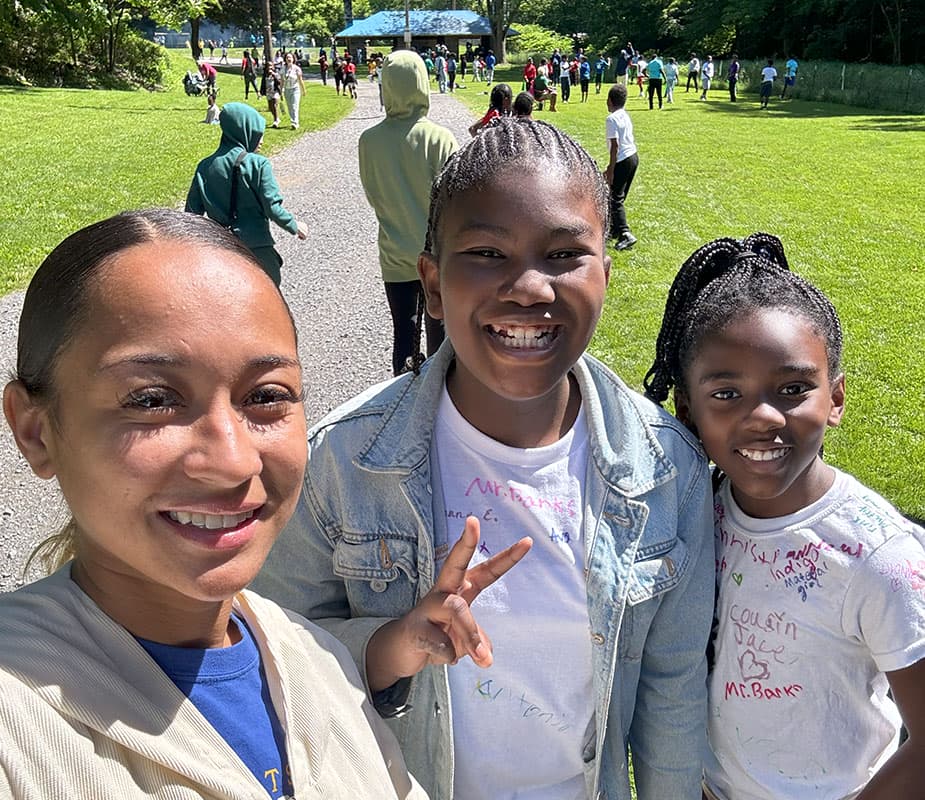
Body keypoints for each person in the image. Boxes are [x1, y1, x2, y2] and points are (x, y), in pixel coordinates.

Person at [253, 117, 714, 800]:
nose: (529, 287)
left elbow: (672, 689)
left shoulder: (666, 469)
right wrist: (392, 644)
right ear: (432, 286)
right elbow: (271, 654)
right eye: (488, 254)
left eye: (563, 255)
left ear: (605, 277)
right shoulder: (343, 463)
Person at [0, 208, 428, 800]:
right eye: (152, 400)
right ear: (35, 431)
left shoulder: (318, 664)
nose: (233, 461)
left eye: (266, 396)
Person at [644, 232, 925, 800]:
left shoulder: (879, 558)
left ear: (836, 397)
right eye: (726, 394)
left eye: (793, 388)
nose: (763, 416)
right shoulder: (696, 522)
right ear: (687, 410)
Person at [358, 50, 458, 375]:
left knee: (403, 332)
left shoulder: (368, 141)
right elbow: (455, 201)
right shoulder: (440, 139)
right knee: (440, 334)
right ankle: (439, 400)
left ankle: (401, 397)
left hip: (394, 252)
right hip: (437, 256)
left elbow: (373, 194)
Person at [186, 102, 308, 286]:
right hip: (257, 249)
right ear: (244, 131)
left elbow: (192, 215)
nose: (261, 140)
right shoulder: (258, 164)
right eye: (257, 134)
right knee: (268, 300)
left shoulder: (204, 167)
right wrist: (293, 225)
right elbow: (272, 207)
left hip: (222, 249)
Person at [605, 83, 638, 250]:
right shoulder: (625, 115)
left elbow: (615, 146)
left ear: (610, 101)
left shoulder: (611, 119)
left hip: (622, 159)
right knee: (620, 195)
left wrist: (611, 169)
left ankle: (626, 233)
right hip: (633, 157)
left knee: (614, 198)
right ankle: (615, 229)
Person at [281, 51, 306, 129]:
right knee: (289, 107)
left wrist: (303, 90)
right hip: (287, 90)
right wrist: (281, 90)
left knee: (294, 105)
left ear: (293, 59)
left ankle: (295, 123)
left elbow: (300, 80)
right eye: (287, 57)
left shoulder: (296, 68)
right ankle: (293, 121)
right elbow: (282, 80)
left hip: (295, 89)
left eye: (290, 57)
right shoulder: (283, 68)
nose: (289, 59)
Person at [265, 62, 282, 128]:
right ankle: (277, 118)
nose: (270, 67)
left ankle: (276, 120)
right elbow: (263, 83)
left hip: (275, 92)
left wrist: (274, 75)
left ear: (273, 67)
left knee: (274, 105)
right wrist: (261, 92)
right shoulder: (265, 74)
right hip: (268, 92)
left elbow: (279, 82)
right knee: (270, 107)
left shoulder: (276, 73)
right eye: (268, 66)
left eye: (271, 66)